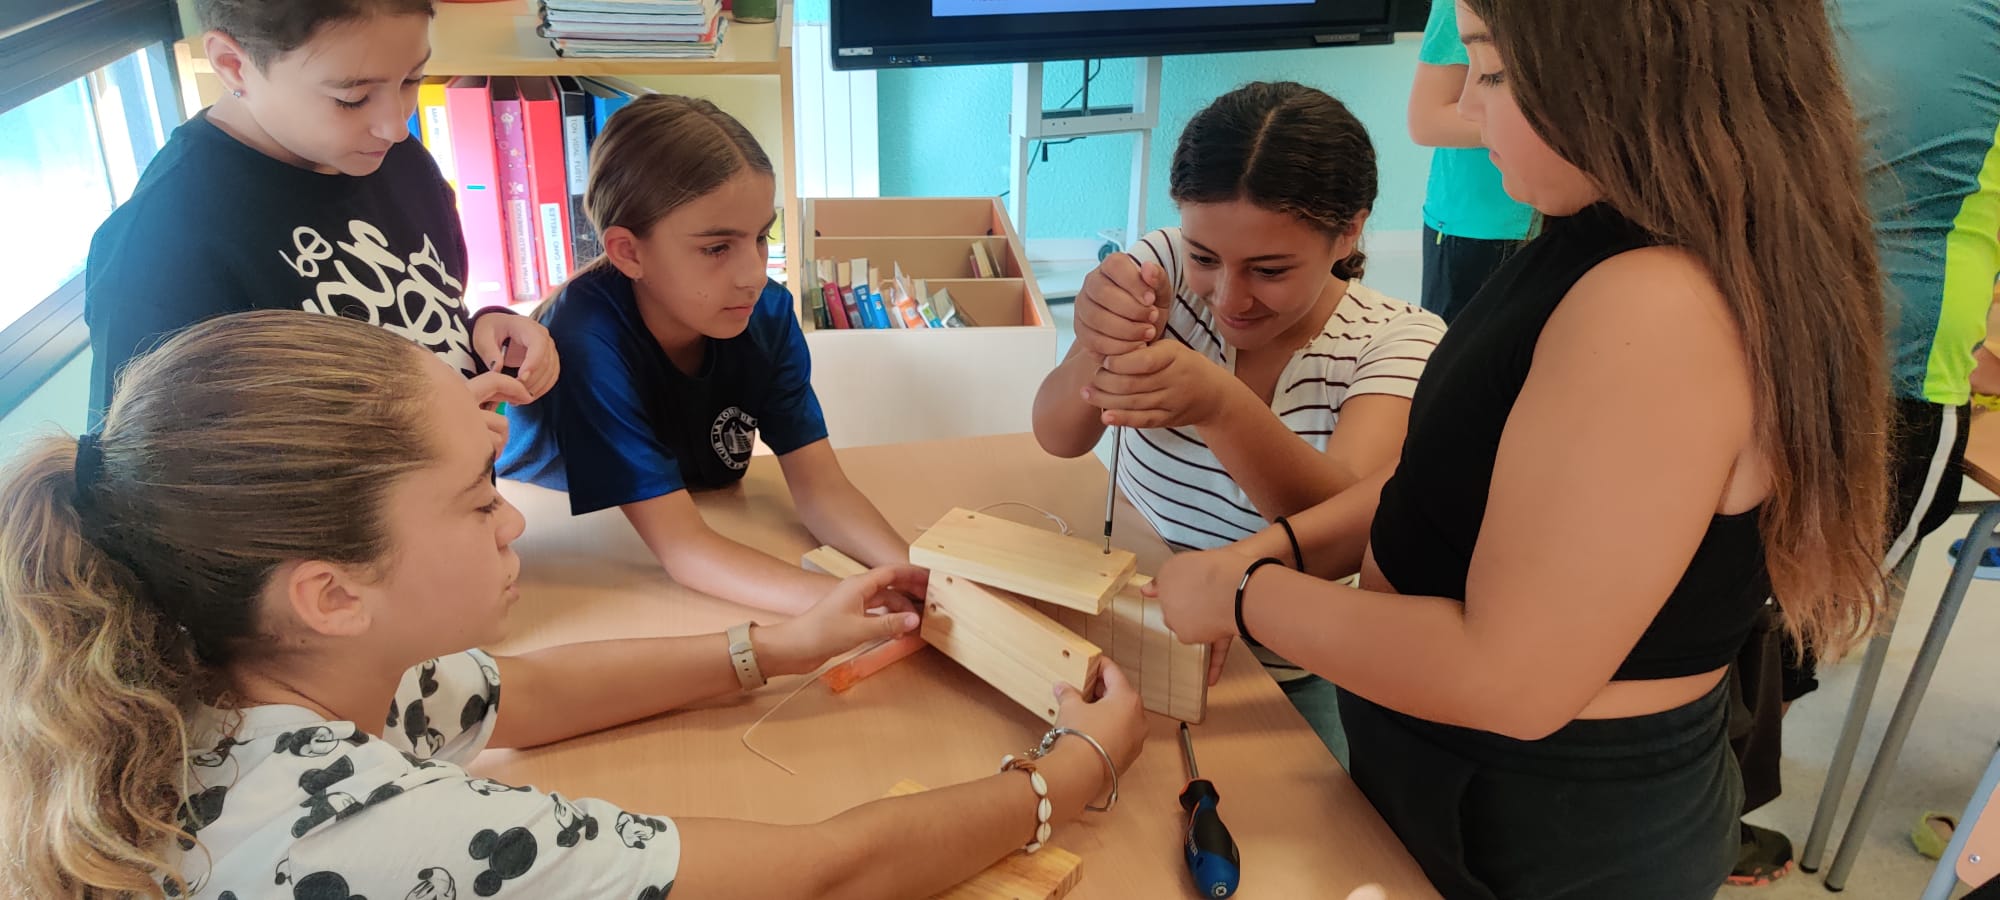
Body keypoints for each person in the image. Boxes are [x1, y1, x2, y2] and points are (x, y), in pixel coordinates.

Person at [0, 310, 1144, 899]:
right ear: (330, 593)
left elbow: (519, 693)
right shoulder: (370, 836)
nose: (512, 522)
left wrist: (783, 645)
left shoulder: (235, 661)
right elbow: (823, 872)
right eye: (476, 499)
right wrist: (1065, 778)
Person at [1149, 0, 1891, 895]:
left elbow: (1510, 677)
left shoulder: (1654, 309)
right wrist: (1272, 555)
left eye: (1494, 71)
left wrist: (1244, 596)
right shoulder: (1590, 239)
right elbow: (1446, 481)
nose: (1466, 107)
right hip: (1463, 774)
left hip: (1541, 826)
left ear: (1625, 78)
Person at [1031, 82, 1444, 762]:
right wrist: (1095, 340)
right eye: (1205, 258)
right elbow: (1057, 435)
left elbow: (1341, 534)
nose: (1228, 298)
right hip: (1128, 614)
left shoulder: (1398, 343)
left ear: (1349, 232)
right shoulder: (1162, 269)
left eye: (1269, 270)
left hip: (1276, 667)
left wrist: (1220, 406)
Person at [1726, 0, 2000, 883]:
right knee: (1791, 619)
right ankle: (1712, 818)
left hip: (1749, 330)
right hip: (1896, 368)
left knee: (1727, 596)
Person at [499, 95, 910, 616]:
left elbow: (822, 490)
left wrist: (920, 577)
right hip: (574, 533)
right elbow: (683, 549)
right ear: (629, 252)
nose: (754, 274)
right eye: (717, 248)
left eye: (761, 237)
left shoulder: (763, 312)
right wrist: (857, 605)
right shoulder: (584, 341)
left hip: (697, 507)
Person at [84, 0, 557, 429]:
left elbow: (418, 316)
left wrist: (480, 332)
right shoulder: (157, 251)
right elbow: (150, 477)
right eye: (351, 98)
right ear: (233, 65)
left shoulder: (396, 159)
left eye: (412, 79)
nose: (395, 125)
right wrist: (428, 444)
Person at [1406, 0, 1534, 322]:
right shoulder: (1458, 6)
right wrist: (1556, 123)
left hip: (1584, 215)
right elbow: (1427, 120)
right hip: (1480, 225)